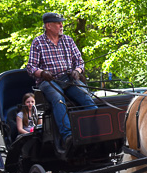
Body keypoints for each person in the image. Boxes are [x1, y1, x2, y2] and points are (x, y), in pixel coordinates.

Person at [26, 12, 95, 151]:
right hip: (48, 82)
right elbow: (31, 67)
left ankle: (93, 131)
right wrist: (42, 73)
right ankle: (68, 136)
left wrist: (77, 71)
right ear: (48, 26)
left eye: (61, 22)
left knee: (87, 99)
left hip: (68, 79)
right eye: (58, 23)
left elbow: (79, 62)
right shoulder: (38, 42)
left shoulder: (68, 40)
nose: (61, 25)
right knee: (58, 100)